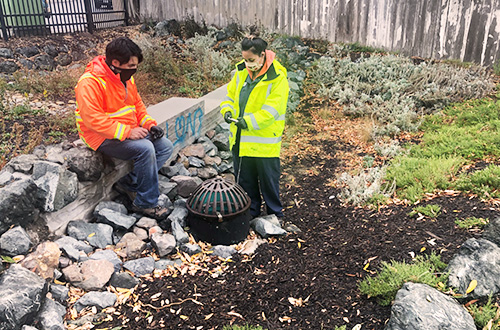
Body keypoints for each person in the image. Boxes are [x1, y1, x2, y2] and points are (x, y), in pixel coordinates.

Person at [75, 37, 173, 220]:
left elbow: (137, 106)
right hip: (99, 136)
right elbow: (92, 119)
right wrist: (128, 132)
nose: (134, 69)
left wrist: (148, 124)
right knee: (145, 149)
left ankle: (129, 182)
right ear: (115, 63)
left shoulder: (125, 77)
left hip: (125, 131)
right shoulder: (90, 83)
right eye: (131, 65)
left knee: (165, 146)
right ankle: (145, 203)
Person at [220, 28, 289, 220]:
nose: (247, 64)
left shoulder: (277, 79)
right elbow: (230, 97)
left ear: (262, 56)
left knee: (269, 182)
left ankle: (276, 215)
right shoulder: (241, 72)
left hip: (264, 142)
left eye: (251, 60)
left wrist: (247, 122)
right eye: (244, 59)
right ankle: (250, 214)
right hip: (241, 139)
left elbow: (271, 111)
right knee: (245, 181)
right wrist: (226, 111)